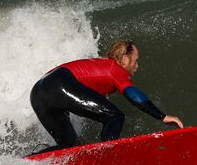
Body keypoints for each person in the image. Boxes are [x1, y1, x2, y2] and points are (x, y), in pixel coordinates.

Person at [30, 40, 183, 153]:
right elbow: (132, 93)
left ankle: (27, 164)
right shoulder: (115, 68)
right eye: (136, 60)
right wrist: (162, 116)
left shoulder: (100, 65)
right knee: (115, 117)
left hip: (38, 92)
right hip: (58, 84)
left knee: (68, 147)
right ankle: (106, 155)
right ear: (124, 59)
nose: (137, 66)